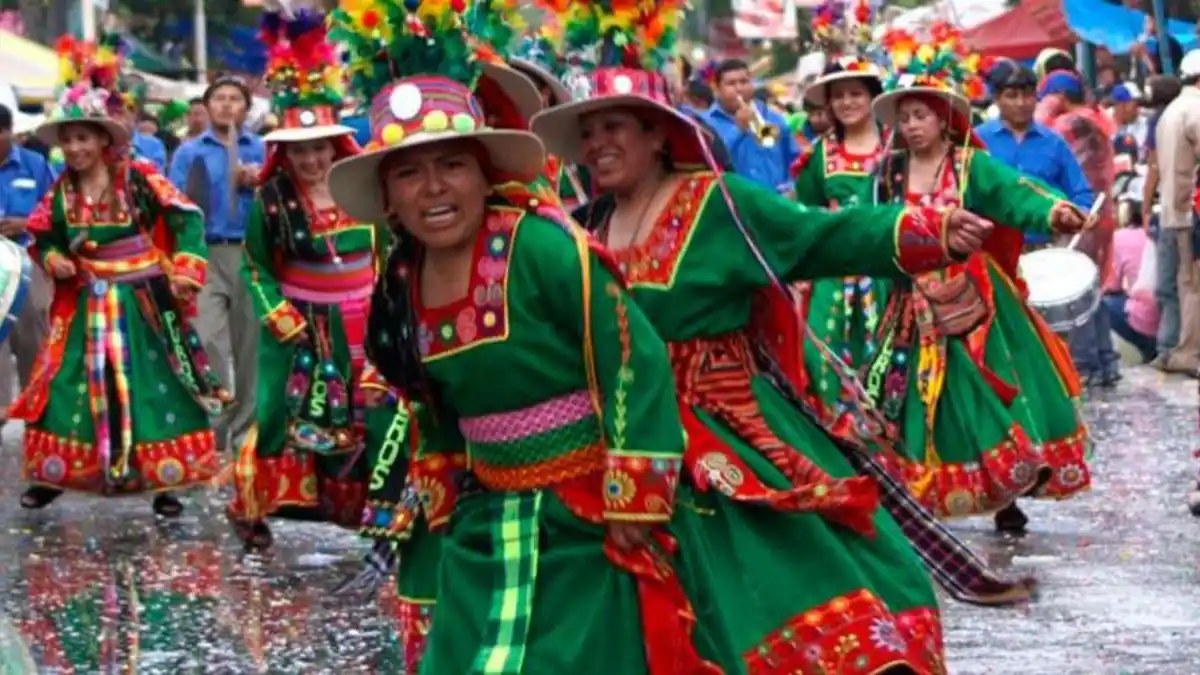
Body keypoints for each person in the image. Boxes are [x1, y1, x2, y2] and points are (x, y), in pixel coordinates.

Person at [530, 5, 1045, 671]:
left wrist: (923, 230)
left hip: (726, 420)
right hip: (622, 434)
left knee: (782, 574)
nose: (599, 143)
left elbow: (814, 236)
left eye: (615, 127)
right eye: (589, 131)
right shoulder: (585, 224)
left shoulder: (719, 203)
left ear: (658, 135)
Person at [862, 26, 1092, 531]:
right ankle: (920, 491)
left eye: (920, 115)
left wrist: (1054, 213)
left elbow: (1016, 194)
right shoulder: (888, 173)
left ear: (944, 119)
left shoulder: (970, 166)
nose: (912, 125)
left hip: (974, 302)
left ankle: (1006, 490)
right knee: (912, 397)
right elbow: (870, 226)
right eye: (904, 118)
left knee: (990, 388)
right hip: (909, 302)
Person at [11, 36, 228, 514]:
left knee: (155, 380)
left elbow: (186, 216)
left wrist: (187, 271)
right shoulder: (61, 190)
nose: (74, 147)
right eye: (67, 139)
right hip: (85, 298)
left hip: (142, 299)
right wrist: (53, 260)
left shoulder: (139, 176)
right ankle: (57, 472)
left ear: (104, 139)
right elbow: (39, 234)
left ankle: (165, 478)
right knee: (66, 380)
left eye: (83, 137)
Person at [227, 9, 378, 550]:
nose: (312, 158)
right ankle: (250, 506)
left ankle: (362, 506)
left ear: (337, 145)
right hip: (301, 326)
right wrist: (279, 315)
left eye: (320, 147)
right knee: (277, 416)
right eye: (300, 149)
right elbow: (256, 264)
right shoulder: (272, 200)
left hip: (364, 322)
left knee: (366, 412)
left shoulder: (365, 186)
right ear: (283, 151)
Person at [791, 45, 892, 445]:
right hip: (832, 277)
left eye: (856, 93)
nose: (847, 103)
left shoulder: (897, 146)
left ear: (872, 98)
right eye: (839, 95)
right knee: (822, 358)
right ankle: (842, 446)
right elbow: (803, 215)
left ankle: (896, 448)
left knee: (893, 357)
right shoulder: (818, 156)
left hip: (888, 270)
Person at [168, 74, 265, 454]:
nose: (226, 105)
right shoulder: (190, 152)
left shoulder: (261, 149)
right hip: (206, 254)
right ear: (207, 107)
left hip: (248, 254)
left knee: (250, 346)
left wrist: (258, 183)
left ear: (246, 107)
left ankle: (246, 435)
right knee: (206, 340)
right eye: (219, 98)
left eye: (234, 99)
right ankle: (213, 430)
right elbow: (175, 203)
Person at [1037, 69, 1121, 386]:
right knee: (1091, 286)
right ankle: (1105, 359)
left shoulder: (1069, 124)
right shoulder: (1095, 118)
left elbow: (1039, 134)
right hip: (1100, 213)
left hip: (1080, 216)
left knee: (1075, 290)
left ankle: (1084, 362)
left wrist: (1046, 107)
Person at [977, 61, 1093, 249]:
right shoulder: (978, 140)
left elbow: (1080, 193)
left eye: (1028, 95)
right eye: (1012, 96)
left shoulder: (1054, 143)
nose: (1021, 103)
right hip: (992, 250)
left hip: (1044, 250)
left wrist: (1079, 214)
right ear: (997, 98)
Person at [0, 103, 55, 428]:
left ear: (9, 132)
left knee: (32, 336)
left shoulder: (35, 165)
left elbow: (55, 211)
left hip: (26, 264)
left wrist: (26, 223)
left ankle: (38, 412)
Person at [1151, 50, 1200, 377]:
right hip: (1190, 210)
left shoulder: (1172, 110)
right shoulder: (1195, 108)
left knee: (1183, 284)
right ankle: (1187, 352)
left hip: (1174, 208)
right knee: (1192, 285)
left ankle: (1179, 349)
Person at [705, 57, 800, 194]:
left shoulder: (774, 118)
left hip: (776, 204)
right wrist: (738, 130)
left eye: (744, 82)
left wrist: (791, 187)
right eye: (731, 83)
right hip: (734, 208)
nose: (739, 88)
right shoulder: (706, 124)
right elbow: (711, 161)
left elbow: (795, 161)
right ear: (718, 88)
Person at [1104, 219, 1159, 363]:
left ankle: (1148, 350)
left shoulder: (1120, 237)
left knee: (1103, 304)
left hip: (1150, 322)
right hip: (1183, 325)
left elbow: (1112, 284)